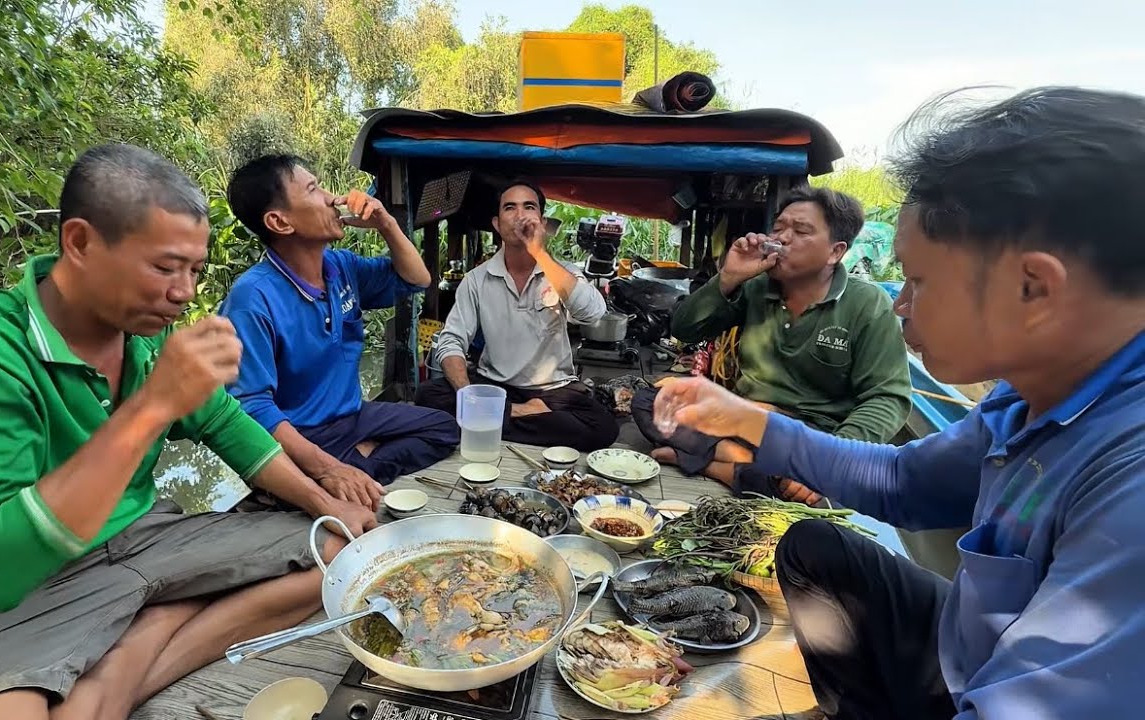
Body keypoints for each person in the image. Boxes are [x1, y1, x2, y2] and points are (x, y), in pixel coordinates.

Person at [654, 86, 1145, 720]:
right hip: (963, 647)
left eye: (917, 280)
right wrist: (744, 417)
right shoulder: (1023, 399)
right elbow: (900, 479)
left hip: (989, 687)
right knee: (815, 549)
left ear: (1035, 288)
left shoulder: (1128, 482)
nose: (899, 304)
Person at [0, 144, 377, 720]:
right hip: (0, 596)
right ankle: (155, 622)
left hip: (142, 543)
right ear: (80, 243)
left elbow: (227, 424)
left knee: (336, 550)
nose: (185, 293)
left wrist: (327, 500)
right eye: (165, 268)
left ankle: (135, 650)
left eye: (194, 271)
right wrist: (150, 408)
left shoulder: (142, 340)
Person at [633, 187, 911, 504]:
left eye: (801, 230)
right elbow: (686, 329)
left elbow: (888, 398)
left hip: (809, 438)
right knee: (650, 400)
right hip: (742, 420)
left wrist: (832, 461)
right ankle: (739, 466)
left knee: (816, 492)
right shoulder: (756, 286)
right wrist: (728, 278)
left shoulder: (867, 304)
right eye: (778, 228)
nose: (783, 238)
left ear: (835, 252)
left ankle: (713, 465)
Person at [221, 154, 459, 494]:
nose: (333, 198)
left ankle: (356, 467)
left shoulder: (340, 266)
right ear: (280, 222)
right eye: (314, 189)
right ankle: (334, 474)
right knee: (324, 475)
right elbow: (254, 408)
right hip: (302, 434)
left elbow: (417, 279)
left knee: (443, 428)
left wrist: (386, 223)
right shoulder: (252, 298)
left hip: (354, 418)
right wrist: (327, 466)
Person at [415, 181, 620, 451]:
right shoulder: (477, 280)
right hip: (493, 385)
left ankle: (488, 422)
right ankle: (519, 415)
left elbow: (592, 313)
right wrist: (468, 394)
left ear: (541, 222)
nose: (520, 215)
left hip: (552, 391)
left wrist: (539, 253)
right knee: (427, 395)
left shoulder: (563, 273)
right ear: (497, 224)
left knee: (602, 427)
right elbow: (451, 340)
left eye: (529, 207)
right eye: (510, 208)